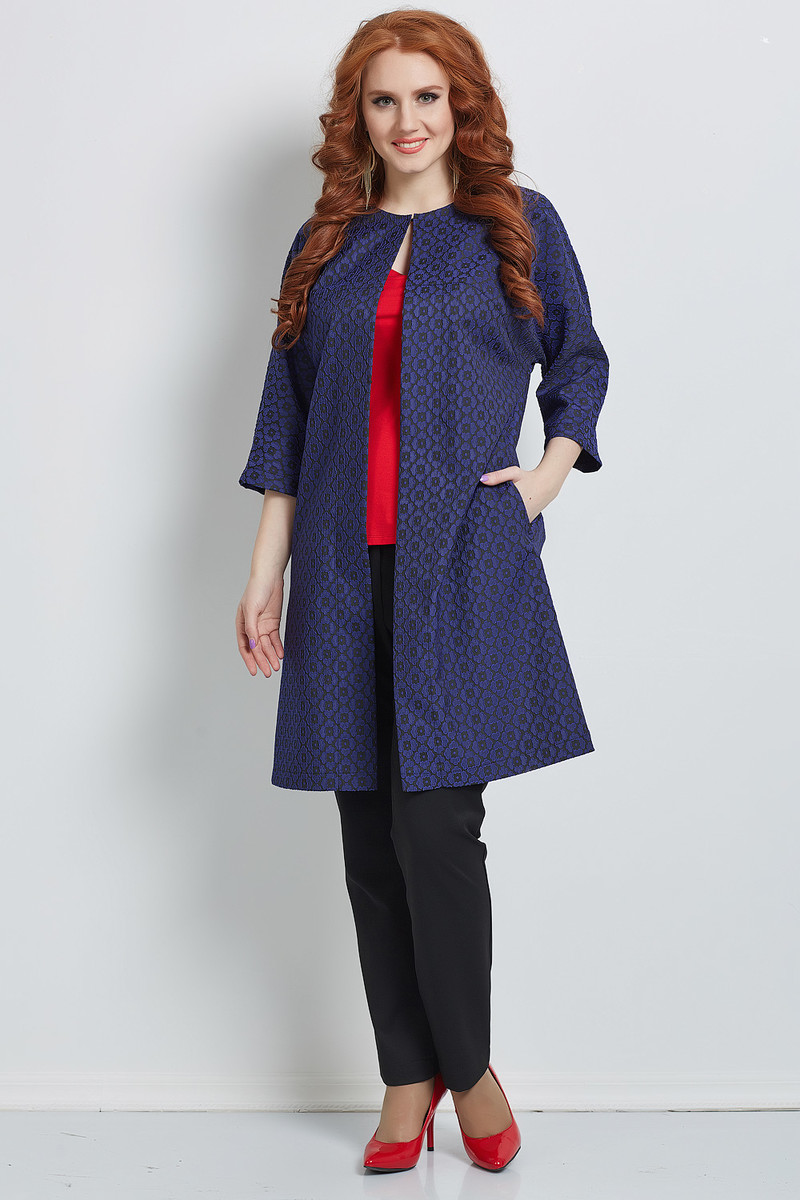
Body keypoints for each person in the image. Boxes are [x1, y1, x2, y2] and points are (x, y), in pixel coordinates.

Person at [235, 8, 609, 1175]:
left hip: (464, 560)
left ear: (462, 106)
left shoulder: (515, 226)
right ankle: (407, 1079)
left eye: (428, 97)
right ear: (357, 114)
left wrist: (544, 475)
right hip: (340, 568)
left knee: (435, 827)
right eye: (385, 98)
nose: (407, 120)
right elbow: (287, 412)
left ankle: (469, 1069)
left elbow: (579, 360)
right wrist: (264, 572)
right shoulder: (325, 243)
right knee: (367, 834)